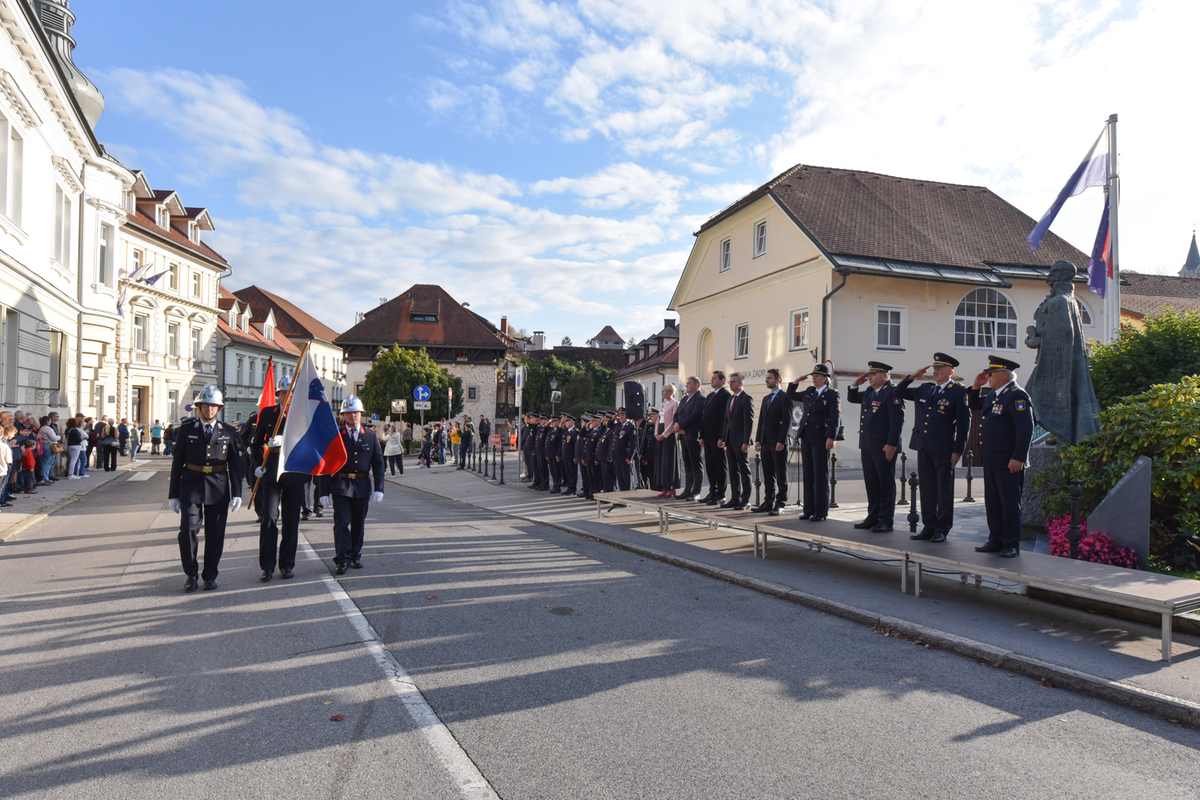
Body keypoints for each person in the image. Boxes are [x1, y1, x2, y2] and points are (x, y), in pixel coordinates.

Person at [168, 386, 243, 591]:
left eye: (213, 406)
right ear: (199, 408)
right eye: (206, 405)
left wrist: (237, 492)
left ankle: (210, 575)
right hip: (191, 485)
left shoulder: (228, 431)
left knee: (215, 533)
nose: (209, 409)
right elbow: (177, 463)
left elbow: (235, 465)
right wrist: (173, 494)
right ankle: (191, 574)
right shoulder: (186, 430)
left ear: (218, 409)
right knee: (188, 530)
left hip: (218, 487)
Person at [895, 353, 971, 542]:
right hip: (923, 445)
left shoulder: (957, 391)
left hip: (944, 447)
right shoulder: (925, 388)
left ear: (950, 371)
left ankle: (942, 529)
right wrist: (913, 376)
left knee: (944, 490)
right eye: (934, 368)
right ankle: (929, 526)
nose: (935, 372)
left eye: (939, 369)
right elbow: (898, 392)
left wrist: (958, 450)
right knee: (927, 489)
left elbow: (963, 424)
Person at [969, 356, 1035, 558]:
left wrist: (1018, 458)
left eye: (991, 373)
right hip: (991, 458)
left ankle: (1011, 544)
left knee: (1009, 504)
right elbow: (974, 404)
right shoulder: (994, 394)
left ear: (1004, 373)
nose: (988, 376)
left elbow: (1025, 429)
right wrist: (976, 386)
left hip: (1008, 461)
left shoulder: (1016, 395)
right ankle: (996, 539)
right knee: (993, 503)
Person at [252, 374, 312, 581]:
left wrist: (287, 442)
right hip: (271, 471)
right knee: (269, 518)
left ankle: (286, 564)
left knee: (291, 520)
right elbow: (256, 442)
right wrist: (257, 464)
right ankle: (267, 566)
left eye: (290, 392)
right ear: (278, 394)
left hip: (294, 471)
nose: (287, 396)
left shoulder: (303, 414)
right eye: (284, 392)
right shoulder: (268, 413)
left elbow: (309, 442)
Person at [321, 396, 385, 574]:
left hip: (362, 485)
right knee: (342, 523)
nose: (353, 416)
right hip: (341, 485)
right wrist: (323, 491)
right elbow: (326, 463)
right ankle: (342, 559)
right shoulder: (336, 436)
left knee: (358, 524)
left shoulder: (370, 435)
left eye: (356, 412)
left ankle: (355, 556)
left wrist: (379, 488)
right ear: (343, 415)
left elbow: (378, 463)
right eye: (349, 413)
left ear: (361, 414)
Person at [848, 361, 905, 533]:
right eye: (869, 375)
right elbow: (852, 398)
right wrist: (854, 385)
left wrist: (892, 444)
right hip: (868, 445)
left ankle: (886, 520)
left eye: (873, 374)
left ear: (885, 376)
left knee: (885, 484)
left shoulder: (892, 392)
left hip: (884, 447)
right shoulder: (870, 391)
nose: (870, 377)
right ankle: (873, 517)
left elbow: (897, 422)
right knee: (872, 484)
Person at [785, 364, 840, 522]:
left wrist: (831, 437)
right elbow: (790, 395)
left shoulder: (831, 395)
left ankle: (820, 511)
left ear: (826, 378)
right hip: (807, 436)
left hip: (820, 437)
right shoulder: (810, 392)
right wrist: (796, 382)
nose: (814, 378)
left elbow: (835, 418)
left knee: (820, 475)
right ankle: (808, 509)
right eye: (813, 376)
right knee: (808, 474)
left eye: (817, 376)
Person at [754, 368, 793, 516]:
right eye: (767, 378)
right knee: (768, 473)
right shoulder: (766, 399)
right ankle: (768, 501)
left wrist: (781, 440)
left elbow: (787, 421)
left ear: (778, 380)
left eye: (770, 378)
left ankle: (780, 503)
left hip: (778, 442)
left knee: (781, 474)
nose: (767, 380)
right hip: (766, 442)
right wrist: (758, 439)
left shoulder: (785, 397)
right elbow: (762, 421)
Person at [720, 373, 754, 510]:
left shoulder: (746, 399)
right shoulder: (730, 399)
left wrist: (746, 441)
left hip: (740, 440)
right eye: (730, 381)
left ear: (741, 384)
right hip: (730, 440)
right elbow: (726, 420)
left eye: (734, 382)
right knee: (733, 470)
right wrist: (724, 438)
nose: (731, 384)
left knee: (744, 470)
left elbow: (748, 421)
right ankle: (735, 498)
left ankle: (745, 500)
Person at [698, 371, 730, 505]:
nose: (712, 380)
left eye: (715, 378)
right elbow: (704, 416)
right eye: (711, 378)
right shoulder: (710, 396)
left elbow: (724, 418)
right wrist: (702, 435)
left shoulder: (725, 395)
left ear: (722, 381)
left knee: (719, 466)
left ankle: (720, 494)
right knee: (710, 466)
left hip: (717, 437)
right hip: (707, 436)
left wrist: (722, 437)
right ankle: (712, 491)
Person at [673, 377, 705, 499]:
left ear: (696, 385)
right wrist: (677, 425)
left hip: (693, 435)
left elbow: (695, 416)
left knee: (696, 465)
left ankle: (696, 491)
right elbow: (677, 414)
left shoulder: (700, 399)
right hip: (683, 435)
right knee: (687, 465)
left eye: (689, 384)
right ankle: (687, 490)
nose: (686, 385)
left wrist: (680, 425)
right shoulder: (685, 399)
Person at [655, 386, 680, 498]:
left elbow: (673, 421)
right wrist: (656, 433)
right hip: (660, 432)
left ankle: (671, 487)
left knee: (668, 461)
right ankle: (663, 486)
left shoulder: (675, 404)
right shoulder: (662, 404)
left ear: (670, 392)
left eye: (664, 391)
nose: (662, 393)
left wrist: (664, 434)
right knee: (661, 461)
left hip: (669, 435)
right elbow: (658, 419)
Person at [611, 408, 637, 492]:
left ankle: (628, 495)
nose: (620, 417)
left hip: (625, 456)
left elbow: (633, 444)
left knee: (627, 478)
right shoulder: (618, 425)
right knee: (620, 478)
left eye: (622, 415)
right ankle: (622, 495)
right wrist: (612, 419)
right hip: (617, 456)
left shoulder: (630, 426)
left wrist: (630, 457)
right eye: (619, 415)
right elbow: (609, 426)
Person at [557, 414, 579, 496]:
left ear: (572, 422)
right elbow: (558, 436)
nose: (565, 423)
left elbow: (576, 446)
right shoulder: (566, 432)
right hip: (565, 456)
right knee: (568, 473)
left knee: (572, 473)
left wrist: (575, 456)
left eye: (567, 421)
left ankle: (572, 488)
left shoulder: (575, 432)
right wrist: (560, 427)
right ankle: (569, 487)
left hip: (571, 456)